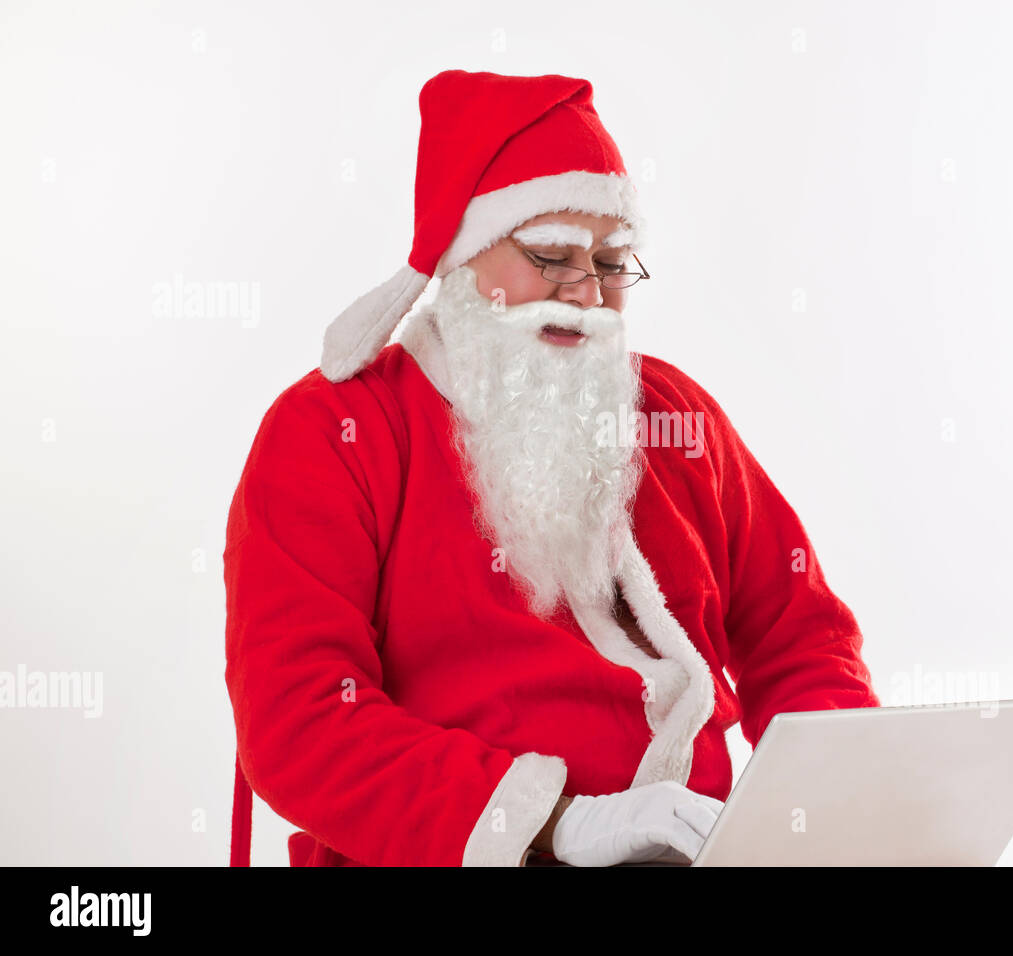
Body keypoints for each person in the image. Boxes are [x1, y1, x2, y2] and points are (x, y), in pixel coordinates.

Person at [223, 69, 881, 867]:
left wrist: (830, 811)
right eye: (550, 256)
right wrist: (556, 823)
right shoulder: (332, 433)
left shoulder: (677, 417)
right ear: (462, 261)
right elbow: (301, 723)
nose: (585, 294)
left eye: (611, 264)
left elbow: (802, 638)